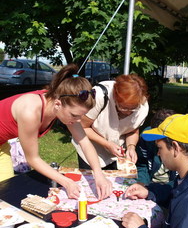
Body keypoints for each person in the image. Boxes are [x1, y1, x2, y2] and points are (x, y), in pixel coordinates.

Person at [0, 64, 112, 200]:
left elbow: (84, 142)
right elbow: (33, 159)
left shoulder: (63, 105)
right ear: (58, 104)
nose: (78, 121)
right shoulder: (30, 111)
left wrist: (99, 174)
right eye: (75, 115)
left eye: (81, 116)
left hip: (2, 146)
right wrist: (66, 182)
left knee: (5, 196)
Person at [72, 74, 149, 169]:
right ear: (115, 97)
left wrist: (131, 147)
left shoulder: (142, 106)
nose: (129, 113)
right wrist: (107, 144)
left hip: (116, 156)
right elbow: (82, 127)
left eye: (133, 109)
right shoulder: (99, 96)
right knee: (93, 181)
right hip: (90, 149)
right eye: (124, 108)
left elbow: (133, 130)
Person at [136, 108, 177, 186]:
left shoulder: (187, 147)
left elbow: (184, 179)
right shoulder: (145, 138)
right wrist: (142, 183)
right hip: (150, 183)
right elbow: (142, 164)